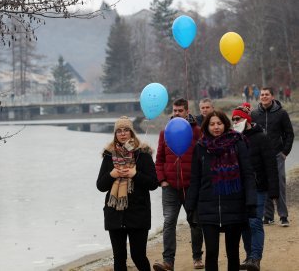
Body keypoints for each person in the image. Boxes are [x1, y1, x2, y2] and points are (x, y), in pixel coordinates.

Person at [186, 110, 257, 271]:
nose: (216, 127)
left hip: (234, 205)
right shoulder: (200, 147)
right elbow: (195, 179)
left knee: (232, 252)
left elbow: (247, 174)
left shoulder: (238, 143)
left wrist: (250, 202)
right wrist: (190, 207)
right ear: (207, 126)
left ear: (225, 124)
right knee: (211, 252)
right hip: (207, 206)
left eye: (219, 123)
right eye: (212, 124)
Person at [96, 116, 159, 271]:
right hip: (115, 214)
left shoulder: (142, 154)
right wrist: (112, 175)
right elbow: (100, 186)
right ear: (115, 134)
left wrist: (134, 174)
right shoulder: (109, 155)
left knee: (138, 256)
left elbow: (153, 183)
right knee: (119, 258)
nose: (122, 134)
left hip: (138, 213)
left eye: (126, 130)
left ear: (132, 133)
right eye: (119, 131)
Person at [153, 98, 204, 271]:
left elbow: (203, 158)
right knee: (169, 222)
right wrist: (162, 180)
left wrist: (199, 182)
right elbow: (159, 160)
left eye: (180, 110)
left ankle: (197, 257)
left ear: (187, 111)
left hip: (191, 186)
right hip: (170, 187)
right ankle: (168, 261)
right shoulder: (164, 133)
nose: (176, 113)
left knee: (195, 222)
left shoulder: (196, 131)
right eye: (174, 110)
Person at [231, 103, 279, 271]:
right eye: (233, 119)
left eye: (238, 118)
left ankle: (256, 258)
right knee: (244, 223)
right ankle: (249, 256)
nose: (235, 121)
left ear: (247, 119)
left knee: (255, 222)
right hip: (239, 188)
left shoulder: (261, 138)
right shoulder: (234, 139)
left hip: (258, 187)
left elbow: (271, 165)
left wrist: (274, 190)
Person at [251, 87, 294, 226]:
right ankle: (268, 216)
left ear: (272, 96)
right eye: (262, 95)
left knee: (279, 184)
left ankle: (283, 216)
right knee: (264, 184)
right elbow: (251, 134)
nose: (264, 97)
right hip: (261, 156)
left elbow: (289, 134)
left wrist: (285, 152)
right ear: (259, 97)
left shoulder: (281, 113)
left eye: (267, 94)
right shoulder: (254, 114)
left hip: (277, 154)